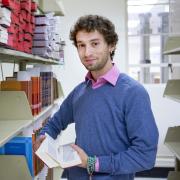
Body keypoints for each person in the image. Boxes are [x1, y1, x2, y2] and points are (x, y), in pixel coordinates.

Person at [34, 14, 159, 180]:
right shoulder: (79, 91)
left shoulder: (133, 93)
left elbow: (145, 155)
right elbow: (55, 123)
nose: (87, 52)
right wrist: (44, 136)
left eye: (94, 43)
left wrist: (92, 163)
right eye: (81, 45)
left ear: (111, 45)